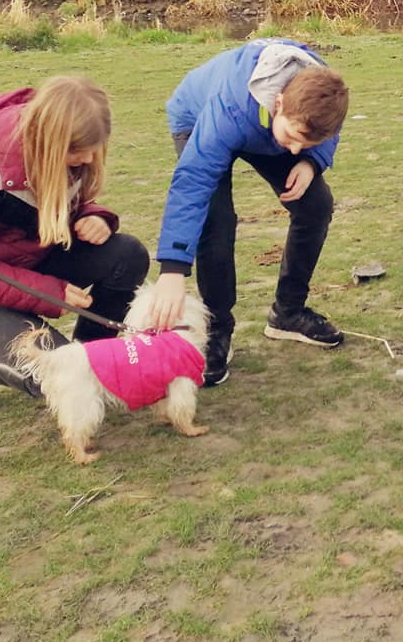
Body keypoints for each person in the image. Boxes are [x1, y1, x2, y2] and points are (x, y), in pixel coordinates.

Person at [0, 76, 150, 414]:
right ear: (49, 141)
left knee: (127, 255)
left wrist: (94, 217)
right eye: (77, 151)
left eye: (95, 147)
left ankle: (91, 363)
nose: (89, 158)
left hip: (33, 261)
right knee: (58, 374)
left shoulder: (69, 154)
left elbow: (58, 205)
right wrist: (47, 292)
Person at [148, 37, 349, 387]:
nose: (296, 148)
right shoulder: (229, 107)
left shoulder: (324, 95)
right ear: (279, 102)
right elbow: (193, 182)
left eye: (307, 142)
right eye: (295, 137)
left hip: (266, 127)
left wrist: (312, 161)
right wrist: (173, 269)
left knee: (315, 204)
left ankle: (288, 313)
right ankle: (217, 328)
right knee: (216, 220)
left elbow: (322, 131)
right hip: (198, 116)